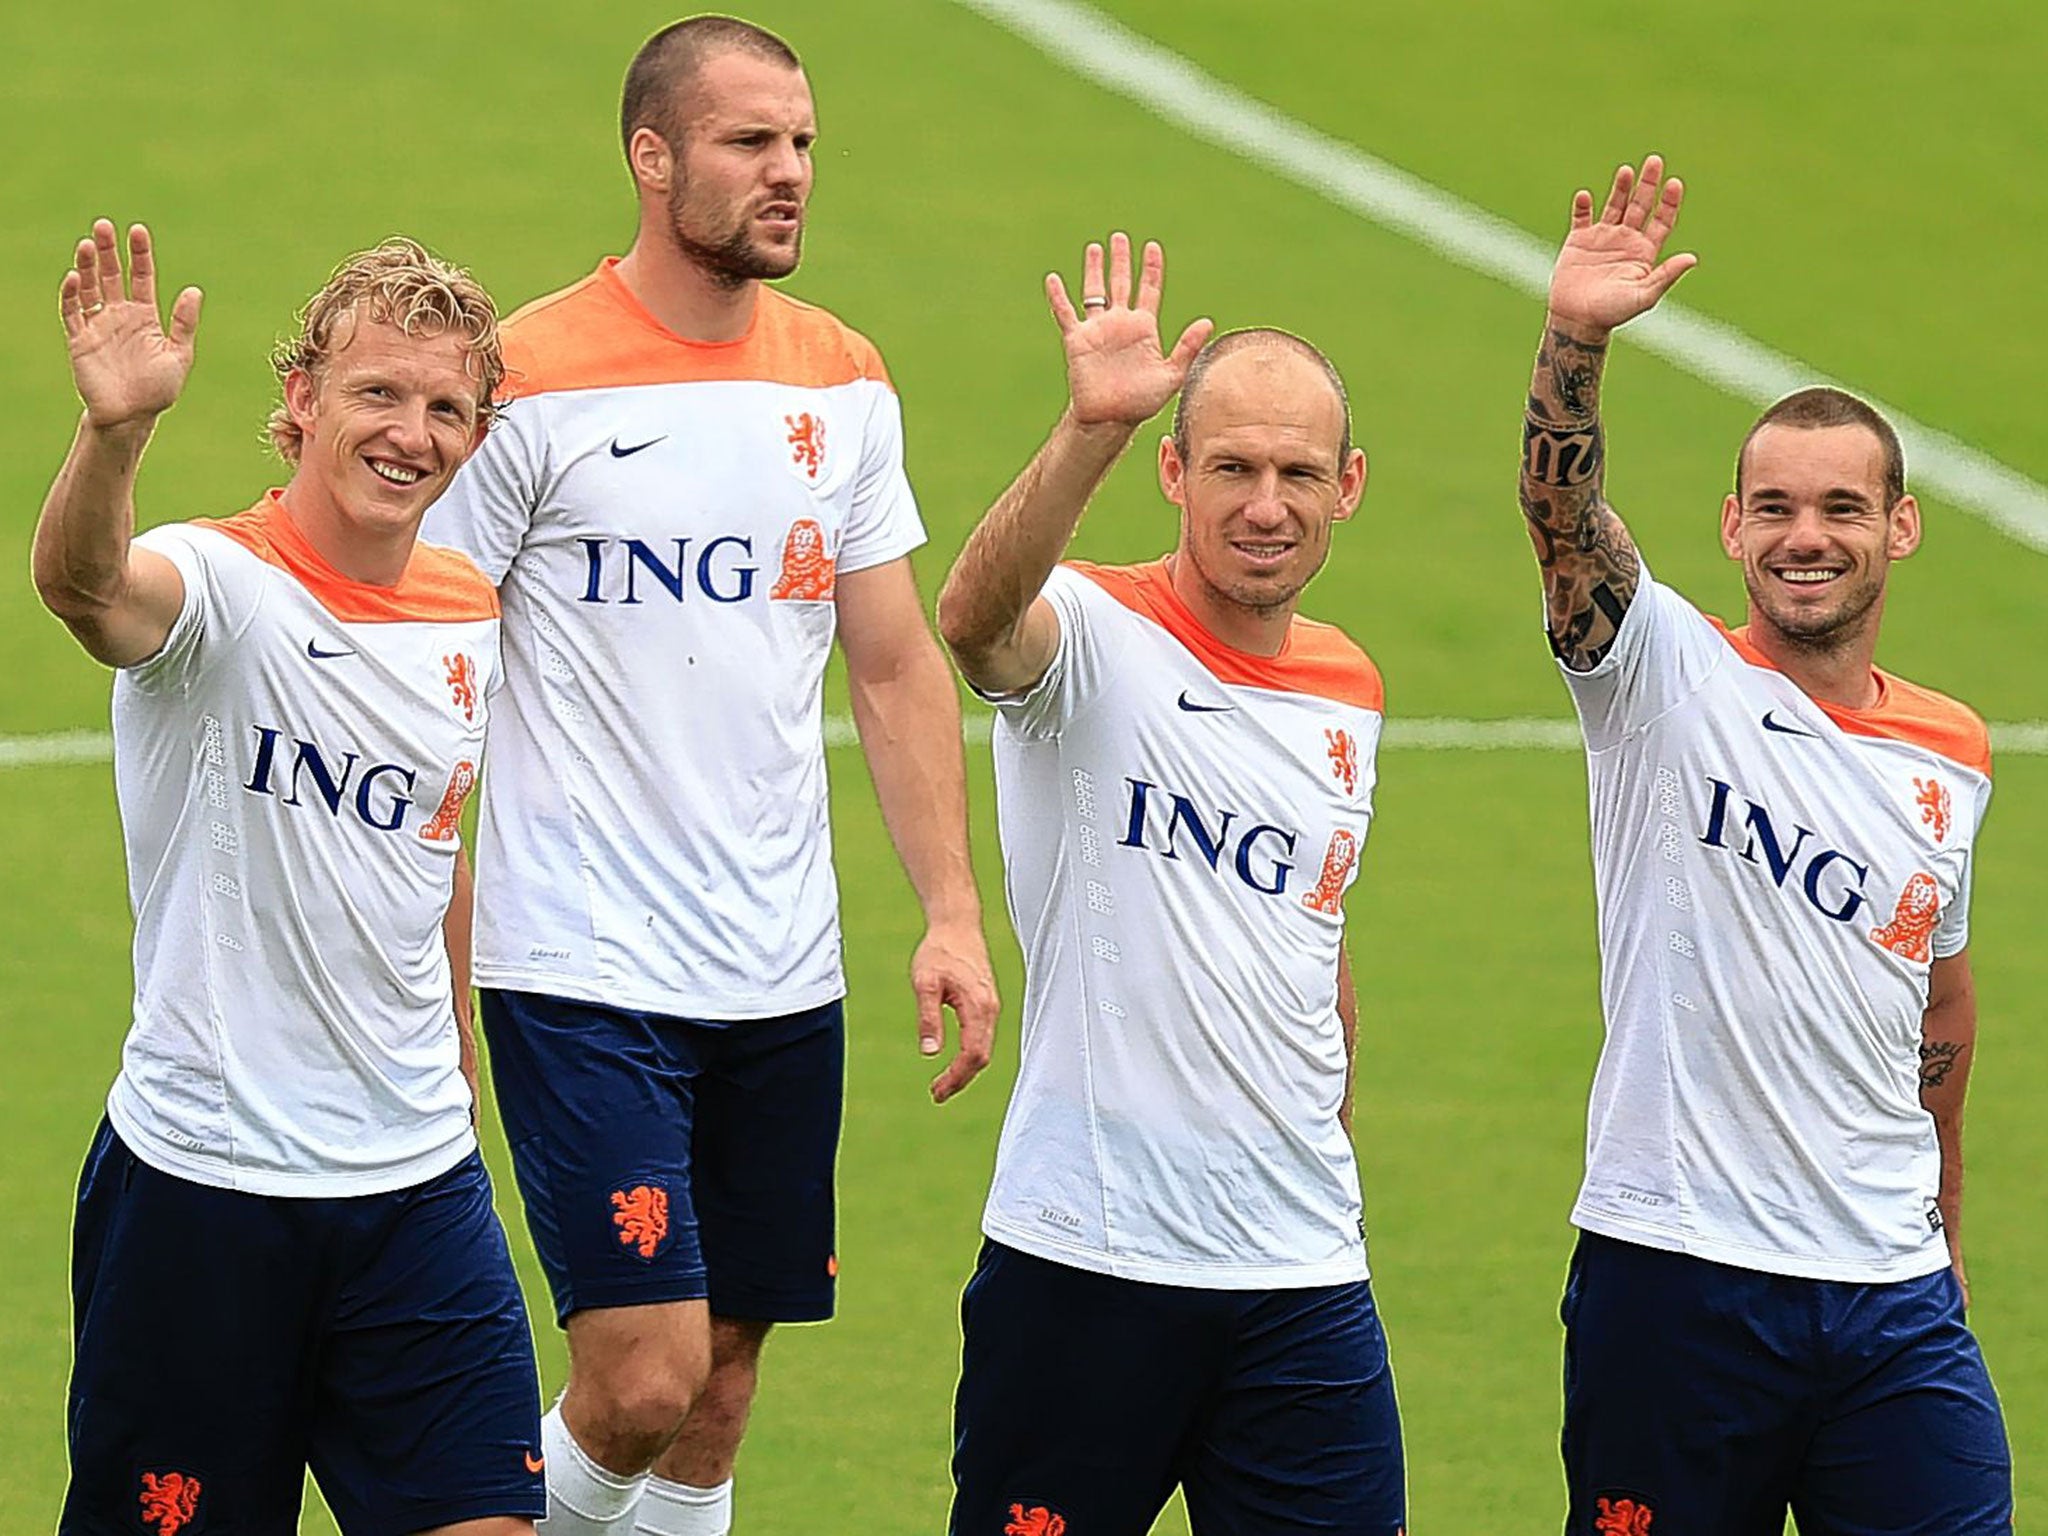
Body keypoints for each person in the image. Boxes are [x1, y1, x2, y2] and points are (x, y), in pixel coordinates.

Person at [420, 16, 999, 1535]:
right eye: (751, 143)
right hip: (583, 962)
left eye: (803, 143)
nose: (790, 173)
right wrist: (435, 951)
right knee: (639, 1373)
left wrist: (949, 909)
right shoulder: (524, 384)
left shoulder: (843, 382)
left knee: (723, 1388)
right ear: (653, 155)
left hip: (780, 970)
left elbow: (891, 661)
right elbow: (428, 676)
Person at [1518, 156, 2012, 1533]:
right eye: (1779, 509)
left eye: (1844, 509)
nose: (1809, 539)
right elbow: (1561, 520)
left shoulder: (1953, 754)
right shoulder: (1662, 670)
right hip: (1680, 1279)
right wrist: (1577, 341)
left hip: (1891, 1302)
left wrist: (1947, 1238)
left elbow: (1941, 1009)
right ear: (1732, 526)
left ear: (1900, 529)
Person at [32, 221, 542, 1535]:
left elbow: (434, 843)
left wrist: (460, 1066)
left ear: (477, 434)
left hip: (415, 1189)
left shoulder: (467, 616)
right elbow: (87, 588)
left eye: (445, 407)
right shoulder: (220, 585)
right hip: (206, 1191)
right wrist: (112, 437)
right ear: (304, 398)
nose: (409, 433)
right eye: (378, 392)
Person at [936, 232, 1403, 1536]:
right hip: (1088, 1265)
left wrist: (1330, 1165)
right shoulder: (1091, 632)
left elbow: (1315, 940)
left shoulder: (1349, 690)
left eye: (1299, 472)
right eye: (1235, 469)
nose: (1267, 503)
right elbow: (973, 621)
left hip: (1300, 1279)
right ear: (1175, 472)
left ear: (1348, 485)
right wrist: (1085, 425)